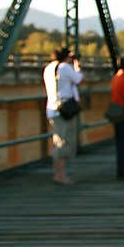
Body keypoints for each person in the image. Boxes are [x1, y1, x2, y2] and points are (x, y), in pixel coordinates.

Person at [43, 47, 84, 185]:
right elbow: (78, 79)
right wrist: (77, 66)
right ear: (67, 57)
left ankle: (58, 173)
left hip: (52, 108)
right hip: (64, 109)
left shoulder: (49, 68)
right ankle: (60, 175)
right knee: (62, 142)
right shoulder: (65, 67)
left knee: (57, 140)